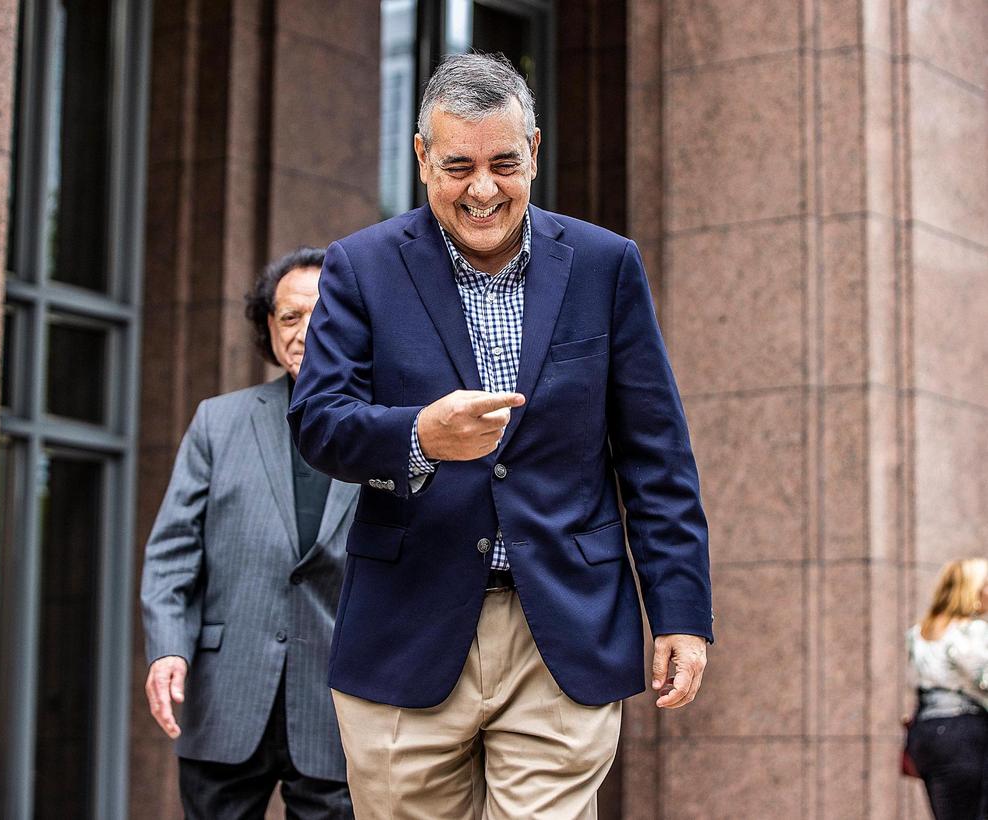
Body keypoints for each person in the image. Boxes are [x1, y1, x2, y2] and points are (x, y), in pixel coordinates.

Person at [288, 53, 712, 818]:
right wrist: (418, 435)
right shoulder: (360, 268)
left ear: (535, 150)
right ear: (421, 159)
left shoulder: (605, 266)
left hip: (562, 629)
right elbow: (319, 423)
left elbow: (656, 453)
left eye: (503, 163)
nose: (483, 190)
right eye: (458, 166)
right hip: (406, 629)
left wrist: (680, 611)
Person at [141, 248, 358, 819]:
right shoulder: (218, 421)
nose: (304, 331)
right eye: (288, 317)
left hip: (340, 706)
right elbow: (172, 553)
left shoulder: (389, 428)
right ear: (268, 328)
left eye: (324, 314)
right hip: (226, 696)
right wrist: (168, 648)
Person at [906, 558, 988, 819]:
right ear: (973, 591)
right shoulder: (970, 632)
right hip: (963, 733)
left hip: (927, 733)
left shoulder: (920, 632)